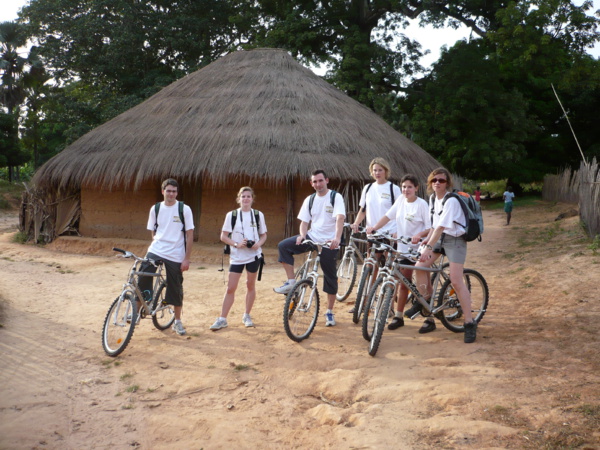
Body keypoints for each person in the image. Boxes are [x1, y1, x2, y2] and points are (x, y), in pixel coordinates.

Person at [405, 168, 478, 343]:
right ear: (430, 182)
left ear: (447, 183)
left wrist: (430, 245)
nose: (437, 183)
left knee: (456, 281)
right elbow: (433, 226)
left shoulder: (451, 201)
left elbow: (441, 227)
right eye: (434, 180)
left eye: (441, 180)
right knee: (420, 266)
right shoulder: (432, 199)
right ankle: (425, 301)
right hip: (439, 239)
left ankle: (469, 323)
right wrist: (427, 241)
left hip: (455, 240)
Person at [274, 169, 345, 327]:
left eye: (320, 181)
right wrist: (302, 235)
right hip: (312, 237)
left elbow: (340, 218)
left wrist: (337, 238)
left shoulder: (335, 197)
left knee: (330, 277)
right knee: (283, 246)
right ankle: (292, 281)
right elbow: (304, 222)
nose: (318, 184)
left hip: (329, 242)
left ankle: (329, 312)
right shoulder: (310, 199)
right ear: (311, 183)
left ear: (326, 180)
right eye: (315, 182)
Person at [366, 174, 431, 330]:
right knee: (403, 283)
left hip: (418, 250)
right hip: (403, 249)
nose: (406, 190)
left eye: (409, 187)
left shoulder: (422, 205)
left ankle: (430, 319)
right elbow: (388, 217)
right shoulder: (400, 201)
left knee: (423, 284)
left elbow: (430, 228)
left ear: (416, 188)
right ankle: (398, 316)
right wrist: (374, 227)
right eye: (403, 187)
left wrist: (419, 235)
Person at [138, 178, 194, 336]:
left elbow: (190, 234)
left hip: (176, 253)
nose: (171, 194)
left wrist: (186, 258)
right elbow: (153, 231)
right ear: (163, 191)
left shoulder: (184, 209)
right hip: (157, 249)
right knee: (143, 275)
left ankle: (177, 321)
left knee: (175, 286)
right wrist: (157, 244)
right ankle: (137, 311)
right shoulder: (155, 208)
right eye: (168, 191)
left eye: (174, 191)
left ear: (177, 193)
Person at [210, 187, 267, 331]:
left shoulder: (258, 215)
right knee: (231, 288)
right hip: (237, 257)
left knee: (250, 285)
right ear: (239, 198)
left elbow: (264, 235)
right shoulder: (232, 215)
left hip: (253, 256)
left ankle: (247, 315)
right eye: (243, 196)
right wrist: (236, 244)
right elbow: (223, 236)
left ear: (252, 199)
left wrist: (257, 244)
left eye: (248, 196)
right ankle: (222, 318)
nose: (246, 199)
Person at [350, 157, 401, 313]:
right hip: (373, 233)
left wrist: (397, 230)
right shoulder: (368, 188)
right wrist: (357, 223)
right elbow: (363, 209)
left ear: (386, 171)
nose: (377, 173)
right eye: (374, 170)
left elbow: (399, 212)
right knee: (371, 267)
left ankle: (389, 306)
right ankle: (364, 301)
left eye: (380, 170)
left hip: (390, 233)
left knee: (389, 270)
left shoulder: (393, 189)